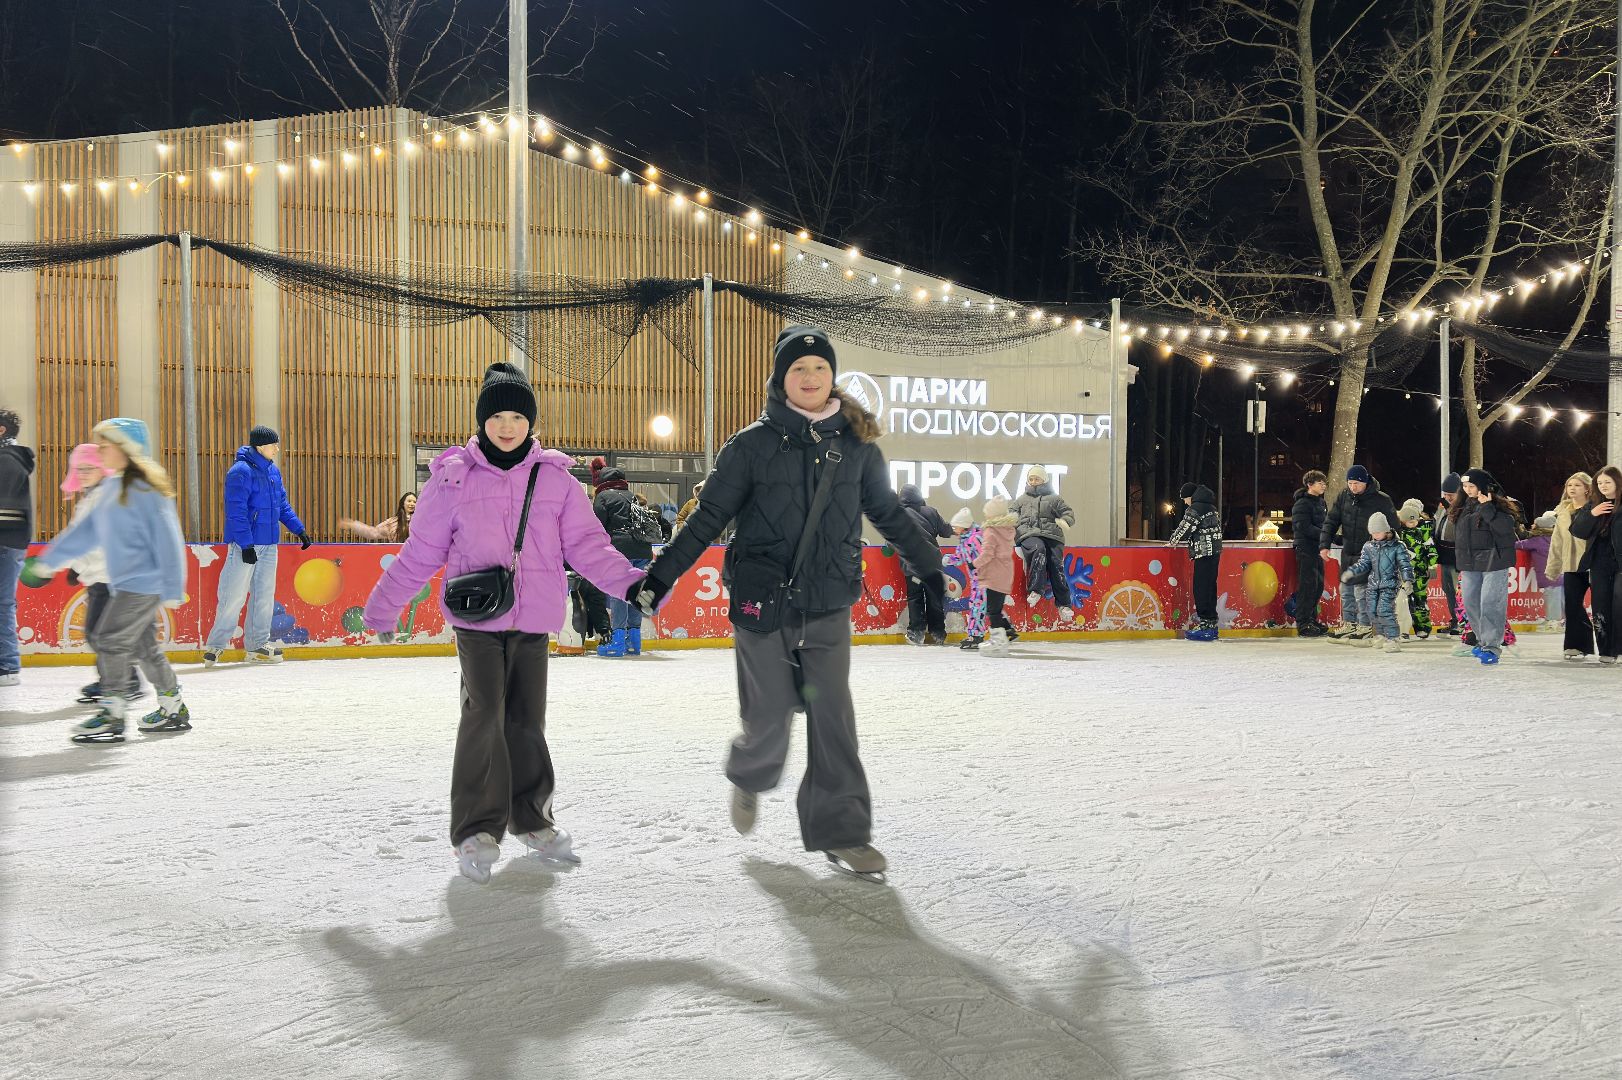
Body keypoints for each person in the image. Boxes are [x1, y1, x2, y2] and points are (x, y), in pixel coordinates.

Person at [635, 325, 945, 879]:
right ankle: (750, 773)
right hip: (763, 597)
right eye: (798, 369)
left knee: (834, 720)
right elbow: (707, 518)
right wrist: (661, 577)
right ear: (782, 378)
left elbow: (890, 515)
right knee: (769, 714)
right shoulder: (750, 445)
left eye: (819, 369)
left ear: (833, 377)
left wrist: (931, 569)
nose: (809, 378)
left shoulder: (857, 446)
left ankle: (842, 833)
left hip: (827, 598)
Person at [363, 362, 644, 883]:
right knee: (483, 712)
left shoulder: (555, 479)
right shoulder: (453, 477)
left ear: (531, 422)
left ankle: (532, 818)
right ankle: (476, 828)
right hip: (477, 621)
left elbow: (586, 546)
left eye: (518, 416)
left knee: (524, 720)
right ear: (482, 421)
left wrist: (629, 583)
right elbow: (421, 551)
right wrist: (384, 605)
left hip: (533, 615)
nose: (508, 426)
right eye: (498, 416)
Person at [35, 418, 191, 742]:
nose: (100, 451)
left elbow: (169, 540)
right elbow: (85, 533)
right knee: (144, 647)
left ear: (125, 449)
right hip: (126, 583)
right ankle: (172, 705)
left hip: (145, 582)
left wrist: (174, 587)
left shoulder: (145, 490)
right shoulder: (111, 490)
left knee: (109, 639)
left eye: (106, 446)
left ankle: (113, 712)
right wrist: (50, 561)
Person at [202, 426, 310, 666]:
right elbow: (236, 512)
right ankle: (216, 646)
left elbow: (282, 505)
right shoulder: (240, 472)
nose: (277, 449)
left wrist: (298, 529)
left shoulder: (273, 471)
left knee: (263, 597)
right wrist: (246, 544)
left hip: (270, 544)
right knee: (233, 596)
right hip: (244, 546)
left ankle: (257, 645)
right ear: (261, 446)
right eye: (274, 445)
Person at [58, 444, 138, 704]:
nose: (82, 473)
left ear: (102, 469)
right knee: (97, 633)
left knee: (101, 634)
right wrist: (74, 565)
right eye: (79, 469)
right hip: (98, 578)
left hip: (112, 577)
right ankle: (116, 679)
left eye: (88, 468)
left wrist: (76, 566)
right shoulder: (92, 497)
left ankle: (124, 681)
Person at [1319, 465, 1399, 640]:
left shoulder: (1381, 500)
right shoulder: (1344, 496)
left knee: (1362, 593)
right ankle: (1349, 624)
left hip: (1370, 555)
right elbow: (1331, 521)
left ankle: (1365, 626)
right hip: (1348, 553)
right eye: (1350, 483)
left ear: (1365, 482)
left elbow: (1394, 527)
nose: (1353, 487)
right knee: (1346, 590)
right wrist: (1324, 544)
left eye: (1356, 483)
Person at [592, 461, 658, 657]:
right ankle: (634, 641)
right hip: (643, 550)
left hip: (620, 549)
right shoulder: (633, 497)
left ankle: (617, 641)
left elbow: (597, 527)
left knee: (619, 594)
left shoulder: (603, 497)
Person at [1455, 467, 1520, 666]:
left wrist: (1488, 507)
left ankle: (1492, 646)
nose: (1467, 490)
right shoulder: (1464, 506)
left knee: (1490, 602)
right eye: (1465, 486)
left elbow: (1506, 530)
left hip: (1494, 561)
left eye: (1471, 486)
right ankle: (1482, 641)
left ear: (1483, 486)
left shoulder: (1499, 505)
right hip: (1470, 563)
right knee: (1471, 602)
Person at [1340, 511, 1415, 653]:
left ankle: (1393, 638)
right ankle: (1380, 635)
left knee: (1384, 610)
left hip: (1390, 584)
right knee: (1372, 611)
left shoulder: (1397, 546)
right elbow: (1364, 564)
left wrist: (1408, 580)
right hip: (1373, 584)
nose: (1375, 536)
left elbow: (1405, 564)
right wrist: (1352, 572)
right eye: (1373, 533)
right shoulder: (1369, 546)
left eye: (1378, 532)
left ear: (1386, 530)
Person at [1570, 466, 1622, 666]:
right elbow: (1577, 531)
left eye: (1607, 482)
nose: (1603, 486)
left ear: (1617, 482)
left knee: (1618, 603)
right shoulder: (1593, 504)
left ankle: (1619, 647)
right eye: (1599, 483)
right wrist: (1592, 513)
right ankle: (1607, 649)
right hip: (1599, 562)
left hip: (1620, 562)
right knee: (1600, 605)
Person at [1012, 466, 1075, 620]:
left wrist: (1065, 521)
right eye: (1031, 479)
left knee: (1055, 562)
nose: (1034, 482)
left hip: (1052, 536)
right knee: (1038, 549)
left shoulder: (1054, 498)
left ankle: (1064, 604)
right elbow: (1011, 513)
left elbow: (1068, 513)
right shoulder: (1021, 500)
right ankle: (1035, 590)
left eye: (1037, 479)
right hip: (1028, 534)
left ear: (1044, 480)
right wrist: (1010, 521)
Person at [0, 408, 33, 688]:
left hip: (5, 544)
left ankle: (7, 665)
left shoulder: (9, 459)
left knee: (2, 604)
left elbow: (7, 504)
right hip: (7, 542)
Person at [1546, 472, 1593, 661]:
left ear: (1588, 489)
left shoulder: (1595, 509)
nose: (1572, 489)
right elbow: (1557, 542)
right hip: (1572, 565)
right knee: (1573, 606)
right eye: (1569, 485)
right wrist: (1553, 567)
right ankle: (1575, 645)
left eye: (1577, 485)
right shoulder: (1563, 512)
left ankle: (1610, 647)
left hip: (1593, 564)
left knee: (1603, 609)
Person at [898, 483, 953, 645]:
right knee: (934, 597)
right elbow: (945, 531)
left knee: (915, 598)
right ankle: (938, 633)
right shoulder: (931, 511)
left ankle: (916, 633)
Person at [1169, 482, 1223, 640]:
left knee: (1201, 588)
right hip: (1215, 552)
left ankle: (1206, 625)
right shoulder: (1211, 507)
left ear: (1190, 496)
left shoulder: (1195, 508)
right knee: (1210, 588)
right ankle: (1211, 624)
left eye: (1185, 499)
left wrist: (1172, 542)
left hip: (1204, 553)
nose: (1185, 502)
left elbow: (1185, 528)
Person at [974, 496, 1020, 657]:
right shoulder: (1008, 530)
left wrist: (975, 563)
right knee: (996, 609)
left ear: (992, 515)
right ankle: (1002, 637)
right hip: (1005, 574)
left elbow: (987, 553)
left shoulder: (991, 531)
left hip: (993, 575)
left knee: (993, 611)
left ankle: (998, 643)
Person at [1290, 471, 1328, 636]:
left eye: (1324, 483)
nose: (1323, 485)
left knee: (1317, 586)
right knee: (1307, 586)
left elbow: (1324, 525)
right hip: (1305, 549)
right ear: (1310, 484)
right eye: (1320, 482)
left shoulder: (1321, 502)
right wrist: (1326, 535)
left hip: (1317, 549)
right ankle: (1303, 623)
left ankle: (1312, 620)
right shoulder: (1302, 504)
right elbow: (1304, 527)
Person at [1395, 499, 1436, 639]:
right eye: (1410, 522)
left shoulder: (1424, 530)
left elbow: (1431, 549)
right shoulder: (1398, 533)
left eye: (1415, 521)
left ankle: (1422, 627)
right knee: (1402, 601)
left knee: (1419, 600)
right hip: (1402, 573)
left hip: (1420, 572)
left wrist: (1432, 565)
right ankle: (1402, 629)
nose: (1414, 524)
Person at [947, 507, 987, 650]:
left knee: (978, 607)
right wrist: (949, 560)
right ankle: (975, 635)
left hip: (984, 579)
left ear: (963, 526)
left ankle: (977, 636)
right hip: (976, 580)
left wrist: (973, 564)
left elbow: (986, 556)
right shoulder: (964, 539)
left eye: (955, 526)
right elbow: (959, 558)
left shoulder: (976, 538)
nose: (953, 529)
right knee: (975, 606)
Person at [1518, 513, 1560, 629]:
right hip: (1559, 574)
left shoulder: (1537, 540)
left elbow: (1519, 545)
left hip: (1548, 575)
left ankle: (1553, 621)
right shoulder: (1557, 539)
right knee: (1558, 598)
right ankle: (1554, 620)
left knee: (1552, 598)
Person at [1433, 474, 1463, 634]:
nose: (1447, 497)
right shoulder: (1442, 506)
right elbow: (1437, 524)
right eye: (1445, 494)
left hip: (1457, 555)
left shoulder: (1463, 507)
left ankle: (1463, 621)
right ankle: (1455, 619)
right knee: (1448, 588)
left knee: (1459, 591)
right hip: (1444, 555)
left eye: (1451, 494)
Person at [339, 492, 416, 543]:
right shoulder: (392, 522)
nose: (412, 504)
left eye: (414, 502)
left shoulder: (422, 521)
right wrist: (353, 525)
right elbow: (374, 532)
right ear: (403, 503)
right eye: (409, 501)